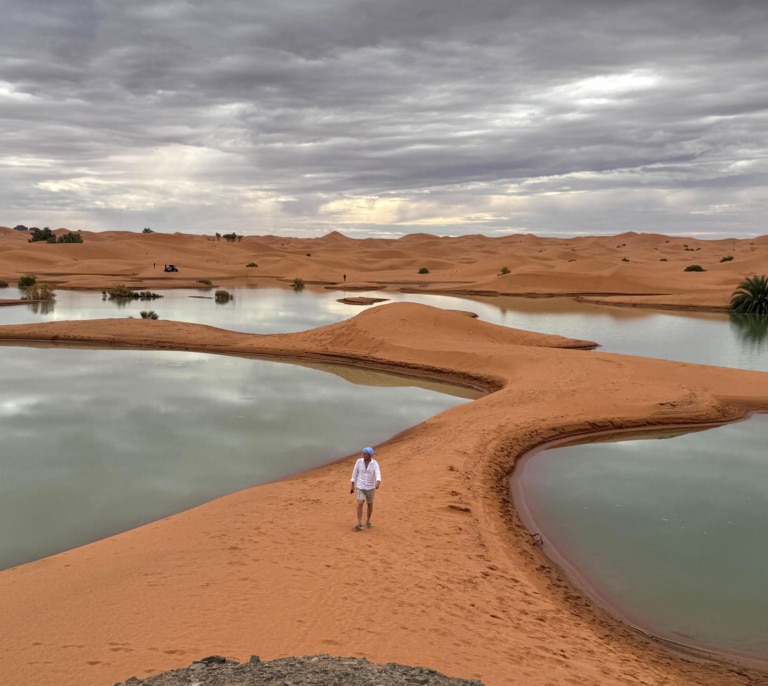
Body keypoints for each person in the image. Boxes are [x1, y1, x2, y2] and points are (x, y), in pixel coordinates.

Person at [349, 446, 381, 530]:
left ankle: (368, 520)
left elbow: (377, 473)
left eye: (365, 454)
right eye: (363, 453)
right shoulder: (359, 462)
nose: (363, 455)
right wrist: (352, 485)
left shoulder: (374, 463)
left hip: (370, 487)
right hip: (360, 486)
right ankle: (359, 523)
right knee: (360, 503)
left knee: (370, 504)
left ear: (370, 455)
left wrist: (377, 482)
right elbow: (354, 473)